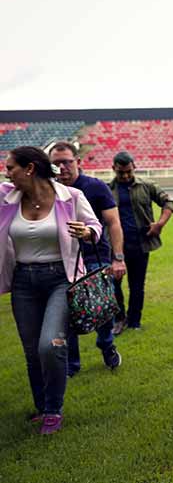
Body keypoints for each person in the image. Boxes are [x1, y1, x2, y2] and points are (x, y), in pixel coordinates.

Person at [1, 146, 102, 434]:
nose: (7, 173)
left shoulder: (71, 197)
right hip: (23, 281)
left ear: (29, 168)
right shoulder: (6, 197)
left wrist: (87, 231)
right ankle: (42, 407)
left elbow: (96, 226)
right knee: (32, 350)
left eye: (11, 168)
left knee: (50, 345)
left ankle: (54, 410)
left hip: (61, 278)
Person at [48, 142, 125, 377]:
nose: (62, 167)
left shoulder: (95, 187)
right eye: (56, 163)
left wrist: (118, 258)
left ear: (78, 161)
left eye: (67, 162)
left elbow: (113, 223)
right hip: (63, 260)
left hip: (95, 258)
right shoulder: (48, 190)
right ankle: (72, 364)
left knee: (99, 309)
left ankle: (106, 345)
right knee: (67, 313)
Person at [108, 152, 173, 333]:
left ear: (134, 167)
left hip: (140, 243)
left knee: (137, 285)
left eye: (129, 171)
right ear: (113, 168)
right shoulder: (107, 189)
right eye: (121, 173)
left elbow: (168, 203)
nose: (126, 176)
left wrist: (159, 224)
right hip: (115, 246)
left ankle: (134, 320)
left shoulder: (146, 186)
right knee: (114, 285)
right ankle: (119, 319)